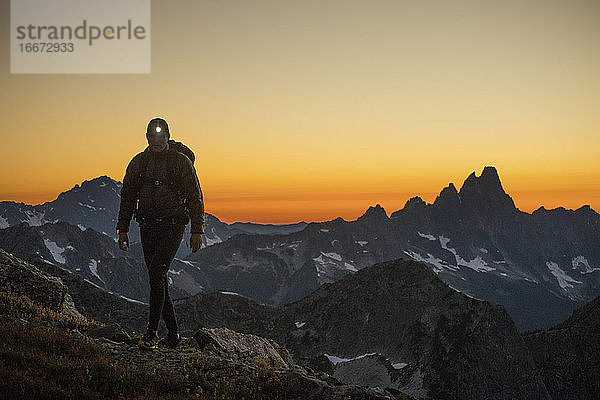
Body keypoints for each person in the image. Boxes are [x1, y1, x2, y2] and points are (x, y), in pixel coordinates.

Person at [116, 117, 204, 350]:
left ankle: (151, 333)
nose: (156, 140)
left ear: (168, 136)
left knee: (156, 272)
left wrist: (197, 229)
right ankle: (174, 335)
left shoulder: (180, 162)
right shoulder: (139, 163)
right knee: (158, 278)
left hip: (173, 226)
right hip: (147, 226)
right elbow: (127, 197)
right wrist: (122, 229)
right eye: (152, 136)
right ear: (147, 137)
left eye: (160, 135)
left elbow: (195, 197)